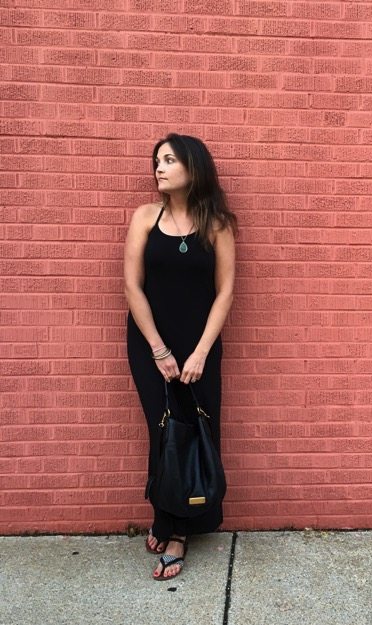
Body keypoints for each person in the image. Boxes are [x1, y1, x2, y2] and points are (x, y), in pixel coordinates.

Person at [124, 133, 236, 580]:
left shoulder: (218, 225)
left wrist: (200, 352)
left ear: (193, 167)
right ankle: (165, 515)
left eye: (169, 160)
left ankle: (180, 530)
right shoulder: (145, 217)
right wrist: (159, 349)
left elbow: (226, 291)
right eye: (157, 161)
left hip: (200, 347)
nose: (159, 167)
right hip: (150, 343)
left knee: (199, 432)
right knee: (163, 431)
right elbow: (132, 285)